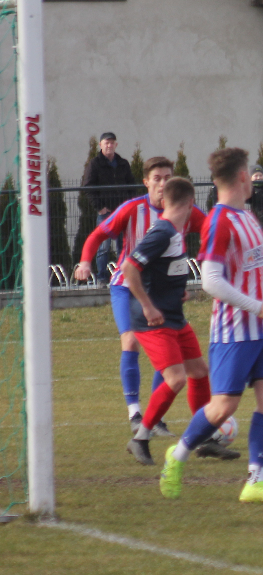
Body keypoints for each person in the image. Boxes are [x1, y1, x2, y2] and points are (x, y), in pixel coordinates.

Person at [158, 147, 263, 502]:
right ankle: (178, 454)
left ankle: (256, 481)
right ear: (242, 176)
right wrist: (257, 307)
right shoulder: (219, 221)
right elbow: (211, 281)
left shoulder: (248, 216)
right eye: (250, 174)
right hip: (236, 331)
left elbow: (259, 263)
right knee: (223, 407)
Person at [76, 156, 205, 433]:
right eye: (157, 178)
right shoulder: (132, 208)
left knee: (167, 347)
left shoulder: (186, 210)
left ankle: (156, 417)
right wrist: (85, 261)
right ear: (146, 182)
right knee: (131, 341)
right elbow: (98, 234)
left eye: (168, 178)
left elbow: (210, 231)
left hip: (160, 291)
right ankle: (135, 413)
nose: (163, 184)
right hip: (127, 285)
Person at [121, 178, 235, 465]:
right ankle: (140, 438)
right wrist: (148, 306)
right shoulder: (163, 232)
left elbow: (160, 269)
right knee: (176, 379)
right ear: (190, 203)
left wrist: (175, 290)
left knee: (199, 372)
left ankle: (205, 439)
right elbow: (129, 268)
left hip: (173, 317)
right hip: (152, 321)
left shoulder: (173, 231)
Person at [81, 132, 137, 284]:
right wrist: (99, 207)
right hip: (106, 213)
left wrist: (130, 204)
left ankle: (122, 276)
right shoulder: (95, 164)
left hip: (123, 211)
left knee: (123, 246)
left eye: (112, 143)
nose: (109, 145)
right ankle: (102, 277)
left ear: (116, 145)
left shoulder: (123, 163)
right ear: (101, 145)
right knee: (103, 246)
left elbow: (132, 185)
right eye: (106, 143)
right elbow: (88, 187)